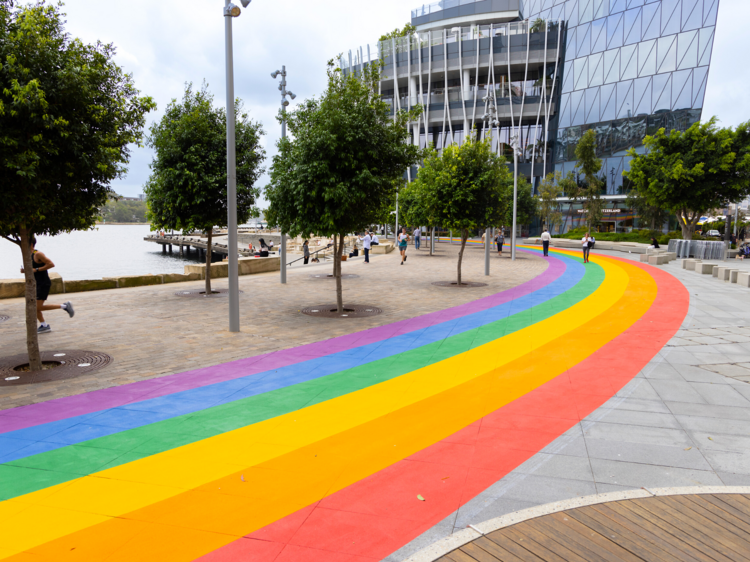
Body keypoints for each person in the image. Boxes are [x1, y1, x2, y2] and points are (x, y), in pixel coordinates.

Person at [21, 237, 74, 333]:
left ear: (31, 244)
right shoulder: (27, 255)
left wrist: (36, 270)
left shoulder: (38, 254)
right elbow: (32, 269)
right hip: (35, 284)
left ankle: (65, 306)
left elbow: (51, 264)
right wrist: (25, 271)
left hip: (43, 283)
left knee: (38, 307)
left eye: (23, 242)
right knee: (33, 306)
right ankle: (44, 325)